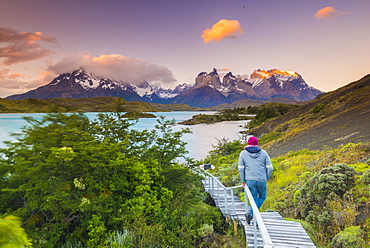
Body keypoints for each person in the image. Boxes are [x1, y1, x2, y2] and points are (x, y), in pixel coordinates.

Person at [238, 136, 273, 224]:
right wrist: (266, 178)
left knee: (254, 200)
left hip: (249, 180)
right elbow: (270, 168)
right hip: (262, 180)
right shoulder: (264, 153)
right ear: (257, 143)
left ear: (248, 143)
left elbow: (241, 169)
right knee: (262, 197)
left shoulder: (243, 153)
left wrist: (243, 180)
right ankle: (252, 215)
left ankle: (251, 214)